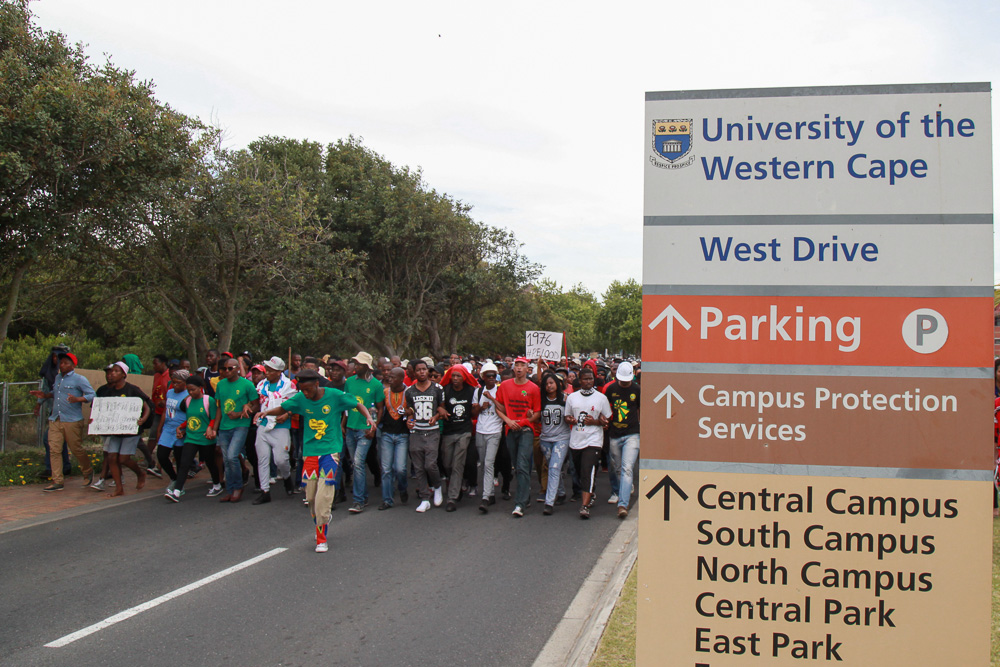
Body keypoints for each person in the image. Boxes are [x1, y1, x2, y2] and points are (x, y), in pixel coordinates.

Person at [261, 368, 376, 553]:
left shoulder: (334, 395)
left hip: (330, 452)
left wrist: (369, 417)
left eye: (308, 390)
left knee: (323, 498)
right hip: (310, 453)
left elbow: (357, 404)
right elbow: (284, 407)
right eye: (302, 390)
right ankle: (323, 518)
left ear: (316, 384)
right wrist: (266, 412)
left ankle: (321, 539)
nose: (305, 393)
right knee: (312, 498)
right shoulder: (300, 398)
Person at [29, 352, 96, 492]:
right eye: (61, 362)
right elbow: (56, 393)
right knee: (54, 449)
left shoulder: (79, 379)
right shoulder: (58, 378)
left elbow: (92, 394)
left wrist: (78, 399)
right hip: (55, 419)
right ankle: (57, 481)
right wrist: (45, 396)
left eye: (66, 363)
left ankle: (87, 470)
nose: (62, 365)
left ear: (73, 365)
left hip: (72, 420)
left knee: (76, 448)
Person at [93, 361, 154, 496]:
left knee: (123, 459)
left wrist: (143, 419)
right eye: (111, 371)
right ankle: (119, 488)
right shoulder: (108, 391)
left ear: (124, 374)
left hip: (130, 431)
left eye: (116, 371)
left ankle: (140, 473)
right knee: (112, 457)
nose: (112, 374)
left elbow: (146, 407)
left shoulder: (132, 389)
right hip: (115, 431)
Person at [495, 357, 541, 517]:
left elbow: (536, 413)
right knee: (516, 465)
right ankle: (525, 494)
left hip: (526, 431)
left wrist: (522, 422)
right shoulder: (505, 386)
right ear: (513, 368)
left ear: (528, 369)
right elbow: (499, 407)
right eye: (517, 366)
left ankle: (520, 503)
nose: (519, 368)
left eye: (523, 366)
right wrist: (507, 420)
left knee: (522, 464)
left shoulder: (534, 388)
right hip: (510, 429)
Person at [165, 376, 223, 501]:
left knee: (210, 462)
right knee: (184, 463)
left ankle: (217, 484)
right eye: (189, 390)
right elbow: (190, 418)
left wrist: (211, 428)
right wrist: (181, 427)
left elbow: (214, 417)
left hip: (205, 438)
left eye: (193, 390)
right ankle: (177, 491)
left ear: (200, 388)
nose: (190, 392)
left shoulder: (209, 401)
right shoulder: (188, 401)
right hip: (191, 437)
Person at [565, 367, 611, 519]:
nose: (588, 381)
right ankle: (590, 492)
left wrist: (596, 421)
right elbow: (568, 416)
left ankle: (584, 506)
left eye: (591, 378)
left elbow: (607, 421)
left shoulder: (601, 398)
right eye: (585, 379)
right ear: (579, 380)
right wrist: (570, 419)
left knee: (588, 470)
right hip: (576, 440)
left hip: (594, 440)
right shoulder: (572, 398)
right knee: (578, 471)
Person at [343, 352, 385, 513]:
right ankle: (363, 496)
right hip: (350, 428)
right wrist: (343, 425)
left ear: (367, 367)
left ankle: (358, 500)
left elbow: (380, 408)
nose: (356, 366)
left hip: (365, 430)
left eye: (359, 364)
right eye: (355, 363)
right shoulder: (349, 382)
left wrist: (374, 426)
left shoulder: (375, 385)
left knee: (358, 463)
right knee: (355, 463)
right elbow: (346, 406)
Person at [251, 357, 297, 504]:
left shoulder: (288, 386)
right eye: (267, 370)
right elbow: (257, 404)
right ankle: (265, 491)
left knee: (281, 460)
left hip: (280, 427)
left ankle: (286, 477)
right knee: (263, 459)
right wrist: (249, 407)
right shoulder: (261, 385)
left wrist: (287, 414)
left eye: (271, 370)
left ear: (279, 372)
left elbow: (294, 406)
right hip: (264, 426)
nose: (267, 373)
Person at [214, 357, 260, 503]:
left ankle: (238, 487)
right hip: (224, 427)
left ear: (237, 369)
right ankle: (230, 489)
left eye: (230, 368)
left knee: (232, 456)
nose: (226, 371)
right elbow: (219, 408)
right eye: (224, 369)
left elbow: (256, 405)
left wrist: (240, 414)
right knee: (226, 459)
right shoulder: (221, 385)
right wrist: (215, 427)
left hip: (241, 425)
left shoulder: (247, 384)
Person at [404, 359, 445, 513]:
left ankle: (437, 486)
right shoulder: (409, 391)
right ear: (414, 373)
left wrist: (436, 417)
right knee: (419, 467)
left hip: (432, 431)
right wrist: (409, 420)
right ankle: (424, 498)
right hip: (416, 432)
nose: (422, 372)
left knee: (430, 464)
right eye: (418, 370)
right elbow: (409, 411)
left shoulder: (437, 389)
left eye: (424, 369)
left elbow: (442, 409)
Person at [437, 363, 477, 511]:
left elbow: (474, 412)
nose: (455, 378)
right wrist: (440, 408)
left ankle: (452, 498)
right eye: (453, 375)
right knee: (447, 463)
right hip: (448, 431)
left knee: (457, 463)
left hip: (464, 431)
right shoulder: (445, 390)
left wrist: (478, 408)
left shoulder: (470, 390)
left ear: (464, 377)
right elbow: (438, 404)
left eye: (458, 376)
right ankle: (458, 484)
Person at [603, 361, 640, 518]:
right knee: (618, 468)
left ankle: (622, 504)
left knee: (626, 468)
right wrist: (603, 419)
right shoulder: (610, 389)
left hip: (632, 434)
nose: (625, 383)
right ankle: (626, 487)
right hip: (614, 434)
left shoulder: (637, 390)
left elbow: (640, 409)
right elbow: (604, 407)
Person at [34, 346, 70, 480]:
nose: (56, 359)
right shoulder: (48, 373)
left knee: (48, 439)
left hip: (65, 412)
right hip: (53, 411)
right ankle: (65, 466)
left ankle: (52, 469)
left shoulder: (67, 374)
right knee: (59, 440)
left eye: (59, 357)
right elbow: (45, 390)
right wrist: (38, 404)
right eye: (54, 356)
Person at [538, 372, 571, 515]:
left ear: (557, 385)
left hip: (561, 438)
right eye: (546, 384)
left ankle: (549, 502)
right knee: (552, 467)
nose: (549, 386)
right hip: (545, 439)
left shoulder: (565, 399)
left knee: (554, 467)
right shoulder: (540, 400)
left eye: (551, 383)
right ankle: (561, 492)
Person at [473, 362, 504, 513]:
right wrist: (480, 407)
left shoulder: (500, 391)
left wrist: (492, 399)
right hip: (480, 430)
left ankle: (485, 497)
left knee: (489, 463)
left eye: (494, 375)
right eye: (489, 376)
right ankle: (490, 493)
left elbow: (505, 409)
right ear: (483, 377)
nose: (492, 378)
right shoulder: (478, 392)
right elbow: (473, 412)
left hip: (494, 431)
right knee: (483, 463)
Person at [377, 367, 410, 510]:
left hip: (402, 434)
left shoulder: (409, 392)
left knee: (401, 469)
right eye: (389, 376)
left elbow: (413, 410)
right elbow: (378, 409)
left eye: (393, 377)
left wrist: (409, 413)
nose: (389, 379)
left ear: (401, 379)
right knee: (386, 469)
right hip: (387, 434)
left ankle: (402, 488)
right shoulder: (384, 392)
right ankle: (387, 499)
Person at [154, 370, 190, 493]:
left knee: (179, 458)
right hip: (168, 429)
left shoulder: (188, 396)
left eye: (178, 383)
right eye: (173, 382)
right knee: (161, 455)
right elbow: (165, 411)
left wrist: (184, 430)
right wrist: (160, 428)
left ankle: (180, 486)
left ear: (185, 383)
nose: (175, 385)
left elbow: (191, 415)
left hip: (180, 430)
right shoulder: (169, 393)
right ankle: (174, 478)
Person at [147, 354, 172, 479]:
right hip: (157, 410)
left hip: (168, 412)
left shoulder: (169, 376)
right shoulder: (156, 376)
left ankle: (159, 466)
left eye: (156, 363)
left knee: (162, 438)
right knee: (153, 435)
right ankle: (148, 460)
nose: (154, 366)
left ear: (163, 363)